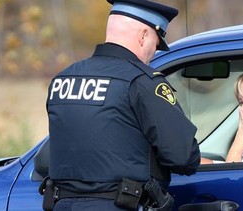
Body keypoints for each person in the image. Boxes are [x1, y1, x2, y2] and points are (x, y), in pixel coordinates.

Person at [44, 0, 200, 210]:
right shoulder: (142, 82)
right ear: (143, 35)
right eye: (156, 45)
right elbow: (183, 156)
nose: (154, 54)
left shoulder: (63, 80)